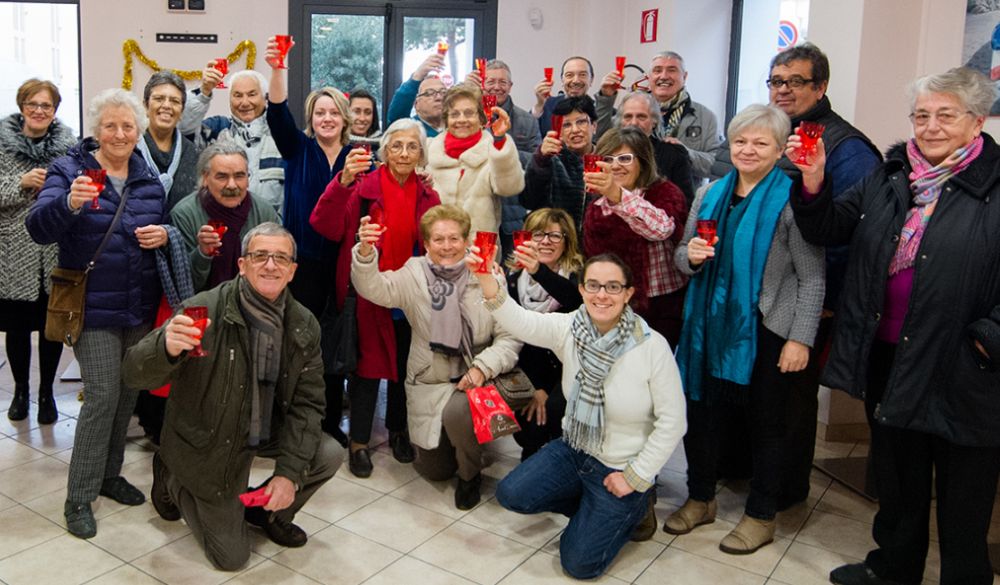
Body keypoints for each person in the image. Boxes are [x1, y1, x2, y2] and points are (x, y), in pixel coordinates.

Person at [790, 67, 1000, 585]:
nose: (930, 126)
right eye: (921, 115)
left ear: (976, 121)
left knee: (964, 493)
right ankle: (893, 568)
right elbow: (828, 228)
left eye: (945, 115)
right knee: (899, 478)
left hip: (965, 363)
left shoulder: (995, 185)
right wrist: (814, 180)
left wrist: (985, 341)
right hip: (888, 354)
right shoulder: (888, 177)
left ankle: (964, 577)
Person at [712, 42, 883, 508]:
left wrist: (824, 300)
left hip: (807, 295)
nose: (783, 90)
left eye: (795, 82)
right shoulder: (774, 132)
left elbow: (852, 230)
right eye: (776, 81)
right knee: (756, 396)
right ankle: (747, 473)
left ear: (820, 86)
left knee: (788, 404)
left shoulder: (846, 148)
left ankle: (784, 492)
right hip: (756, 295)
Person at [122, 222, 344, 571]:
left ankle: (270, 515)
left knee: (328, 452)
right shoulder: (202, 311)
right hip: (210, 439)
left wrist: (288, 474)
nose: (270, 265)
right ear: (242, 265)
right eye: (260, 256)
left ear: (292, 271)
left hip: (264, 428)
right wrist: (163, 348)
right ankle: (171, 474)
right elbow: (134, 374)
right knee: (232, 559)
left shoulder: (303, 325)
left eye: (280, 258)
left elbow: (308, 404)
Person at [667, 104, 824, 554]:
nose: (748, 150)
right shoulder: (708, 193)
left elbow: (812, 276)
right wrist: (692, 257)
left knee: (768, 425)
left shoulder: (793, 198)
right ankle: (700, 498)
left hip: (767, 326)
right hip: (707, 326)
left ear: (780, 151)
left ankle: (761, 515)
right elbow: (682, 256)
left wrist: (800, 338)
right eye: (740, 141)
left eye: (760, 143)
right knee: (701, 415)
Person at [471, 252, 684, 579]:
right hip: (575, 449)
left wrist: (636, 476)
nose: (602, 295)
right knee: (512, 494)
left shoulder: (652, 347)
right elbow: (520, 321)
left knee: (579, 564)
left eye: (613, 287)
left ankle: (634, 507)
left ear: (628, 293)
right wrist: (486, 276)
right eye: (594, 285)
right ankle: (597, 511)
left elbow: (673, 423)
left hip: (621, 465)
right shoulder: (569, 327)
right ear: (582, 290)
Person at [26, 88, 169, 539]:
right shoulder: (70, 171)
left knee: (127, 397)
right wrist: (68, 202)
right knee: (103, 397)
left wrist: (163, 234)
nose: (120, 134)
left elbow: (160, 225)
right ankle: (78, 496)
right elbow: (37, 228)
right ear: (96, 130)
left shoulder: (147, 178)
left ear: (138, 131)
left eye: (128, 126)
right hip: (91, 309)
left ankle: (109, 475)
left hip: (138, 306)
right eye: (111, 125)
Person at [351, 204, 520, 510]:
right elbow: (374, 288)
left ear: (466, 240)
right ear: (426, 244)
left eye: (454, 238)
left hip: (478, 375)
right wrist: (365, 252)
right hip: (431, 377)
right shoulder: (414, 273)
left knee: (459, 413)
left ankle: (470, 475)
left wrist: (483, 367)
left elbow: (510, 334)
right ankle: (462, 444)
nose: (447, 246)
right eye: (438, 240)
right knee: (435, 471)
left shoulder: (485, 273)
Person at [309, 119, 440, 478]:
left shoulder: (429, 194)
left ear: (421, 153)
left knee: (402, 368)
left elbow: (438, 241)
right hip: (367, 292)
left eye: (412, 146)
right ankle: (360, 443)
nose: (403, 153)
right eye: (396, 145)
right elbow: (324, 225)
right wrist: (343, 181)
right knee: (366, 370)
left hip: (411, 295)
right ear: (384, 151)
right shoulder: (362, 186)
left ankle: (399, 431)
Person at [264, 35, 353, 445]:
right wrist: (279, 66)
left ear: (345, 118)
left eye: (334, 111)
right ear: (311, 117)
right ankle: (290, 421)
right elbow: (277, 111)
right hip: (302, 265)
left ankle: (331, 420)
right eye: (320, 112)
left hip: (343, 267)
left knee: (333, 350)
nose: (327, 118)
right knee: (298, 346)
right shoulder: (297, 149)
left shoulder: (358, 157)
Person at [0, 79, 75, 424]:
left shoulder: (68, 146)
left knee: (51, 327)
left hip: (54, 248)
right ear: (21, 106)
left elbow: (79, 190)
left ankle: (47, 393)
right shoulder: (1, 143)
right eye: (33, 104)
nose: (39, 111)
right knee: (16, 328)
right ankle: (20, 391)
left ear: (55, 110)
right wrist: (21, 183)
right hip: (12, 249)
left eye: (46, 106)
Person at [582, 127, 689, 346]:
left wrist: (618, 195)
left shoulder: (665, 192)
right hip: (616, 307)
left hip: (663, 307)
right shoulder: (596, 206)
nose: (616, 165)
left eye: (625, 158)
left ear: (642, 161)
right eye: (609, 159)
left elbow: (661, 229)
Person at [503, 208, 582, 460]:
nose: (546, 241)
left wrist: (539, 270)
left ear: (566, 242)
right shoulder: (514, 280)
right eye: (538, 235)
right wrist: (536, 386)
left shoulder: (577, 278)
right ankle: (533, 449)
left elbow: (571, 299)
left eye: (555, 236)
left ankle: (560, 456)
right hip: (529, 366)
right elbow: (517, 337)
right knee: (529, 417)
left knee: (554, 408)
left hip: (567, 367)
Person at [598, 51, 722, 184]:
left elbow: (717, 167)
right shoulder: (630, 111)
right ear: (649, 77)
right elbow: (600, 140)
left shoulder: (705, 117)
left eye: (672, 70)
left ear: (684, 76)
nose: (664, 76)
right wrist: (606, 97)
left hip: (685, 197)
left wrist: (685, 153)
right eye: (657, 71)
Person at [170, 140, 279, 292]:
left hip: (255, 301)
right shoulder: (184, 214)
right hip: (203, 304)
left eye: (239, 176)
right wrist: (202, 253)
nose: (232, 185)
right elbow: (184, 284)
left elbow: (278, 269)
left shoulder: (264, 212)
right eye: (222, 177)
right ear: (205, 178)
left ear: (248, 178)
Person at [179, 67, 285, 217]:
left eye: (252, 94)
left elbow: (292, 197)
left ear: (265, 97)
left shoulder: (282, 137)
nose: (245, 102)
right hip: (220, 229)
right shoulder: (216, 129)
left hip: (269, 232)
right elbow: (183, 127)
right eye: (237, 95)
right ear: (230, 100)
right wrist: (204, 92)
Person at [424, 85, 524, 239]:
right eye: (454, 114)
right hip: (437, 246)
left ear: (481, 118)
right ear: (446, 119)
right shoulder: (429, 151)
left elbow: (509, 188)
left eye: (469, 113)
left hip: (480, 250)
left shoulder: (494, 150)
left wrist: (500, 141)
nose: (462, 120)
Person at [469, 59, 542, 258]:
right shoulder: (470, 118)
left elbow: (537, 160)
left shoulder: (526, 120)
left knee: (513, 268)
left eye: (502, 82)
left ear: (510, 86)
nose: (496, 87)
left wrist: (503, 150)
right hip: (478, 207)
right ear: (482, 84)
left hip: (514, 209)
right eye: (491, 81)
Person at [519, 95, 599, 241]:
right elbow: (528, 200)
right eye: (566, 125)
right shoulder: (551, 159)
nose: (575, 130)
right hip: (557, 246)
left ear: (594, 126)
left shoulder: (607, 161)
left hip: (596, 249)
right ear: (559, 132)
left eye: (581, 122)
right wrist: (541, 160)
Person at [611, 90, 695, 205]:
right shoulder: (610, 154)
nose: (634, 123)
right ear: (620, 122)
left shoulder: (674, 154)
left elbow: (685, 203)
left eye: (641, 117)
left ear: (654, 121)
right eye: (628, 117)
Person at [138, 71, 200, 213]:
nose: (166, 106)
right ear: (146, 106)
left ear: (182, 111)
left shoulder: (193, 153)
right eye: (159, 99)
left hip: (180, 233)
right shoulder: (129, 148)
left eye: (174, 101)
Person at [386, 53, 446, 138]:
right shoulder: (412, 129)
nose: (439, 98)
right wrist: (417, 76)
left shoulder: (456, 126)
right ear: (416, 104)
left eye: (443, 92)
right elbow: (397, 116)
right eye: (429, 93)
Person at [532, 56, 594, 136]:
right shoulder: (547, 105)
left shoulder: (601, 110)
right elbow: (528, 135)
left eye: (582, 75)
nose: (576, 80)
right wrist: (539, 105)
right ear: (562, 80)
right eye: (569, 75)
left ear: (591, 79)